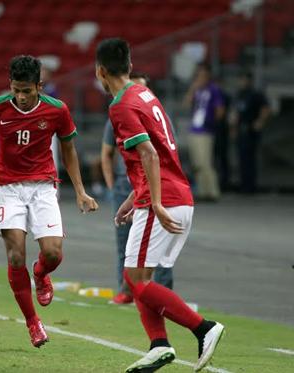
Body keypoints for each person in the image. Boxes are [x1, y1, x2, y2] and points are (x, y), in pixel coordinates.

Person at [96, 38, 224, 372]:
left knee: (136, 280)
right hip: (172, 193)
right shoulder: (145, 94)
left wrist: (152, 202)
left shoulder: (121, 105)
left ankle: (204, 328)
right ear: (129, 64)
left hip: (163, 199)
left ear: (100, 72)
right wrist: (131, 199)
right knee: (140, 276)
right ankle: (159, 345)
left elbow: (151, 155)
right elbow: (160, 155)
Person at [0, 55, 98, 348]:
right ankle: (33, 322)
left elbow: (69, 150)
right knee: (15, 256)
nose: (21, 97)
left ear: (39, 86)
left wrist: (81, 191)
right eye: (16, 90)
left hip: (43, 187)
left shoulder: (57, 110)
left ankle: (41, 274)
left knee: (53, 254)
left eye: (27, 90)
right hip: (8, 188)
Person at [100, 72, 173, 305]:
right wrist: (113, 187)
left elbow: (160, 154)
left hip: (152, 183)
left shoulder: (156, 114)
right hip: (127, 183)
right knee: (126, 240)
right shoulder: (119, 113)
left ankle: (162, 292)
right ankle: (128, 290)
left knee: (157, 245)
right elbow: (106, 153)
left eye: (142, 87)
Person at [183, 63, 225, 201]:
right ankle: (202, 191)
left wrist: (212, 122)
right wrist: (193, 88)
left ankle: (212, 192)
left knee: (205, 162)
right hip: (194, 129)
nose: (200, 78)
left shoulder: (214, 90)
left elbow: (220, 110)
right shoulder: (197, 90)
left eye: (203, 75)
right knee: (197, 164)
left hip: (206, 130)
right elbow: (186, 103)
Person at [230, 71, 270, 194]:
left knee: (250, 159)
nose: (242, 82)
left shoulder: (255, 94)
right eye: (241, 79)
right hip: (241, 129)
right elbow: (236, 112)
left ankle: (250, 186)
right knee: (242, 159)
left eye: (244, 79)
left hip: (250, 130)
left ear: (250, 80)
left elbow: (265, 108)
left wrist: (260, 122)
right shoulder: (239, 94)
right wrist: (233, 128)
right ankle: (244, 185)